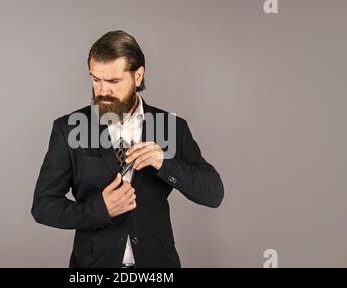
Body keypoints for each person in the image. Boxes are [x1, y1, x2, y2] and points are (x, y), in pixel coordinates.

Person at [31, 30, 224, 268]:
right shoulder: (68, 129)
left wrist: (165, 162)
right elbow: (43, 206)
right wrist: (99, 209)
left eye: (113, 81)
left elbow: (213, 193)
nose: (102, 91)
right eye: (95, 79)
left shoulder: (172, 128)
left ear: (138, 76)